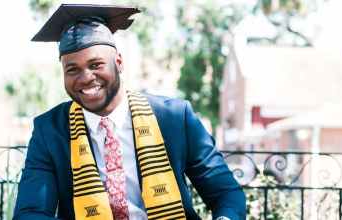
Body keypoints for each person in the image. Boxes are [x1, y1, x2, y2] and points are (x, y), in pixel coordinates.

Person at [13, 4, 246, 220]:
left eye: (96, 65)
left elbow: (226, 194)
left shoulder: (174, 117)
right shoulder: (49, 130)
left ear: (119, 62)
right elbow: (32, 211)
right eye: (72, 69)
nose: (85, 78)